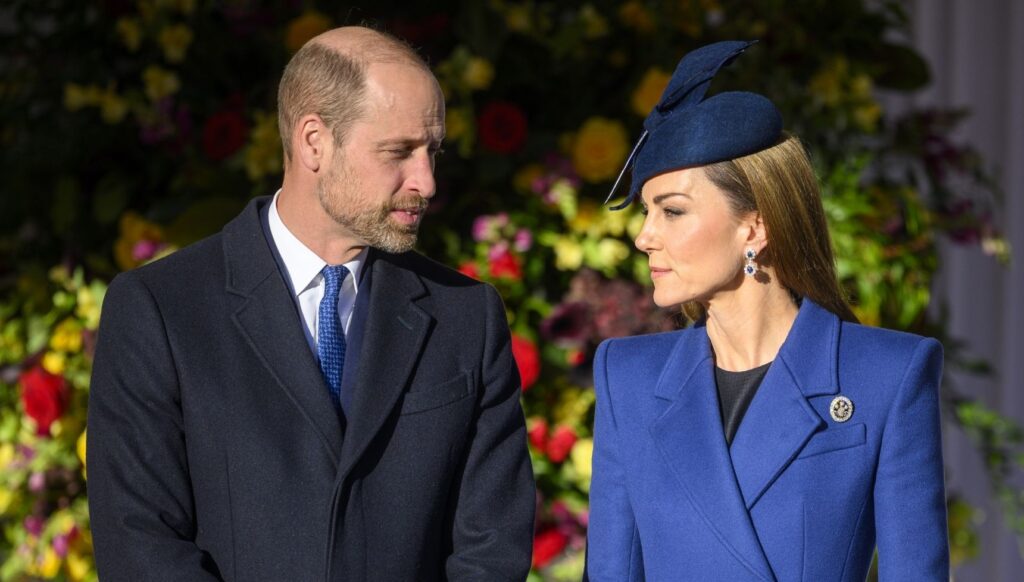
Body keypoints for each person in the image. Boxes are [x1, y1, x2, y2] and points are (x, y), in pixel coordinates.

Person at [87, 26, 535, 581]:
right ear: (314, 141)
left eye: (432, 151)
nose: (427, 181)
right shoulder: (161, 310)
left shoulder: (466, 316)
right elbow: (140, 548)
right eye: (398, 151)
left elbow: (491, 550)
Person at [585, 41, 948, 581]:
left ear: (754, 227)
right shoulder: (628, 376)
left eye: (672, 212)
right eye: (645, 212)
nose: (644, 237)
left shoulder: (886, 374)